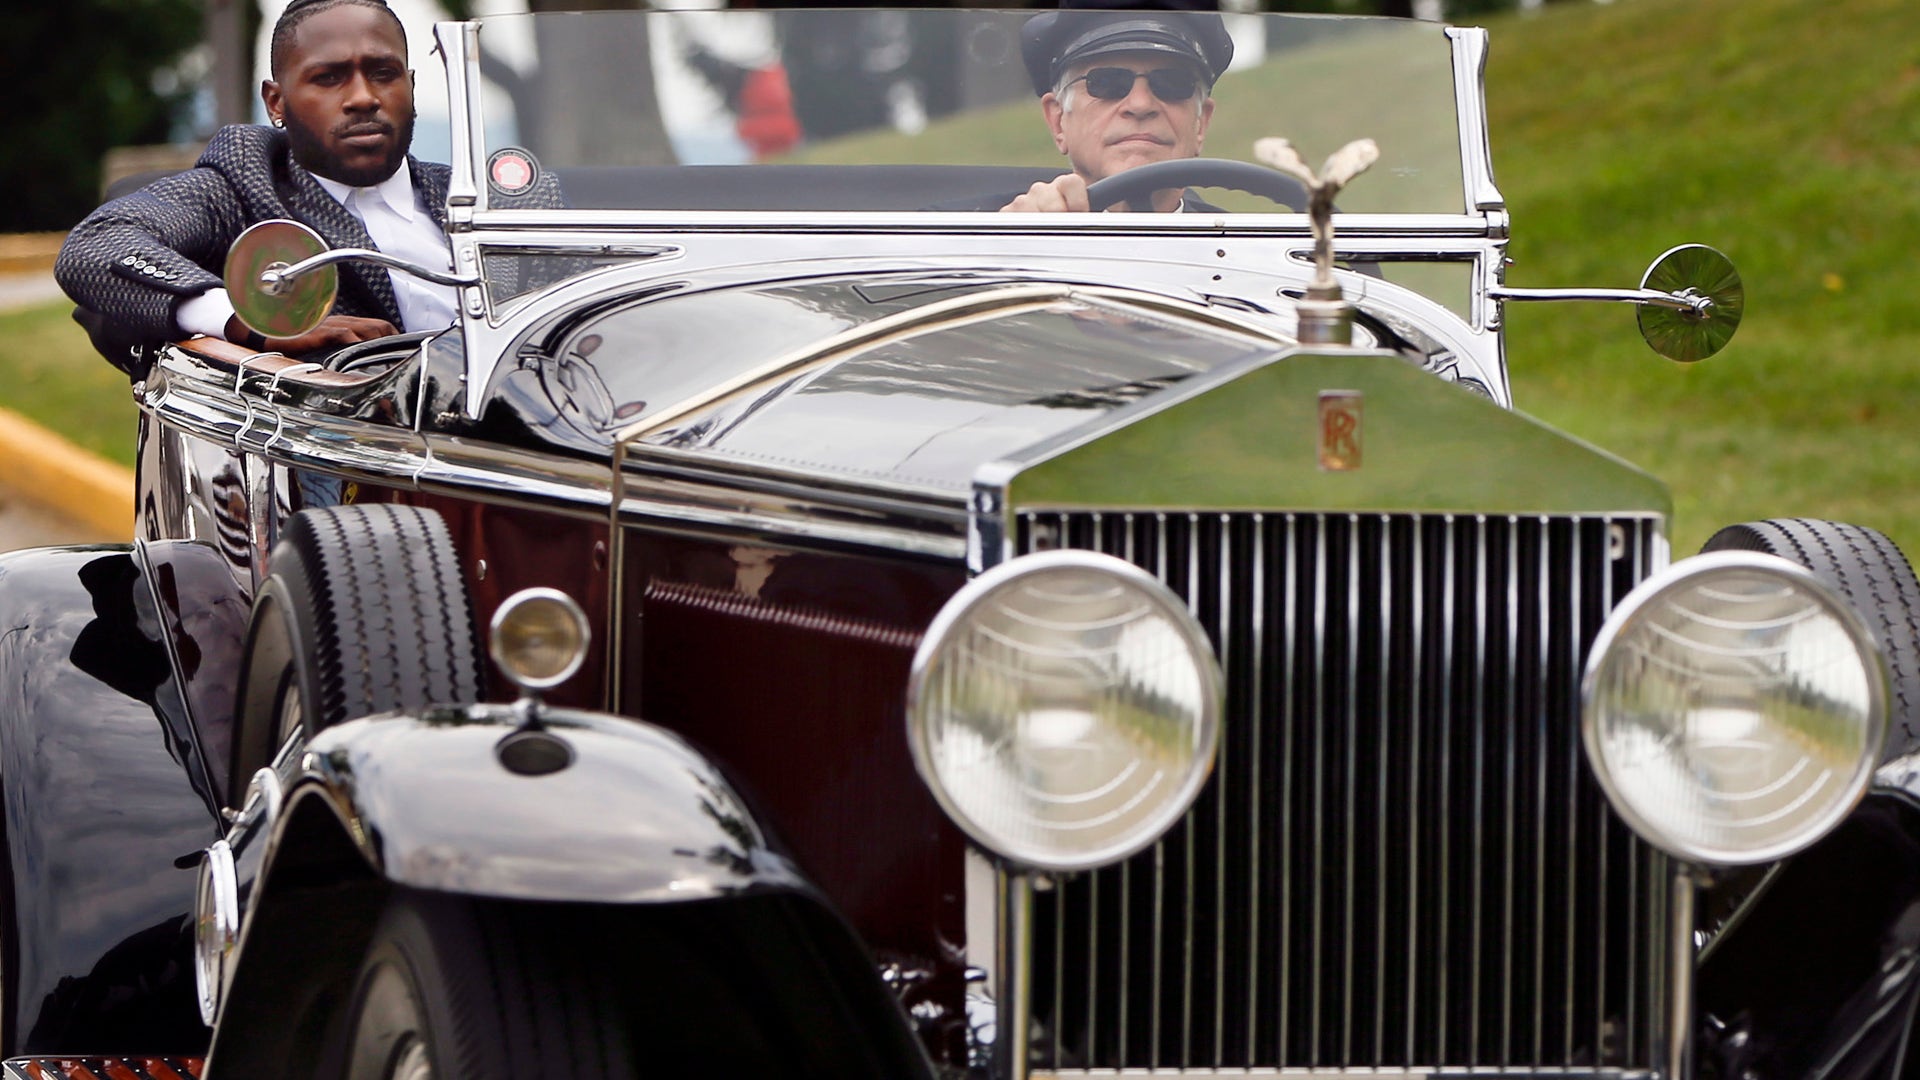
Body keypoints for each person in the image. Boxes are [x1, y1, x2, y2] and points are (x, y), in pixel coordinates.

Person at [57, 0, 454, 371]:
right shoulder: (244, 187)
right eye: (329, 78)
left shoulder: (477, 194)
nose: (364, 97)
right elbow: (95, 246)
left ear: (411, 84)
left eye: (384, 73)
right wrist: (251, 321)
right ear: (276, 102)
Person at [1001, 3, 1233, 214]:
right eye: (1106, 83)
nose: (1140, 105)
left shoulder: (1247, 250)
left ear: (1201, 122)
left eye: (1172, 83)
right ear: (1058, 119)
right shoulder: (994, 239)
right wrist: (1015, 245)